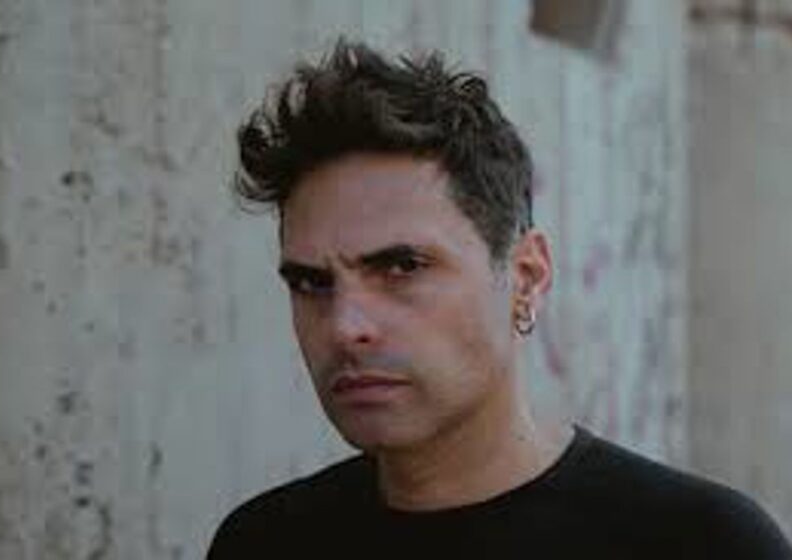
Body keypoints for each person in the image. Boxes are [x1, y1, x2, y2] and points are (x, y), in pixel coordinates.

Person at [206, 38, 792, 559]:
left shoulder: (703, 544)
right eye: (311, 283)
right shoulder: (265, 543)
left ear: (527, 277)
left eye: (402, 267)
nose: (344, 326)